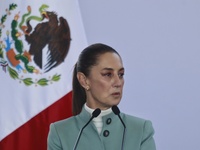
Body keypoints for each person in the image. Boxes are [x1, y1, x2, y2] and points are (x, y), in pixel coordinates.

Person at [47, 43, 156, 150]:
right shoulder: (60, 132)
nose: (118, 83)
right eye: (108, 74)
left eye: (121, 74)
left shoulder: (141, 130)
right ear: (84, 80)